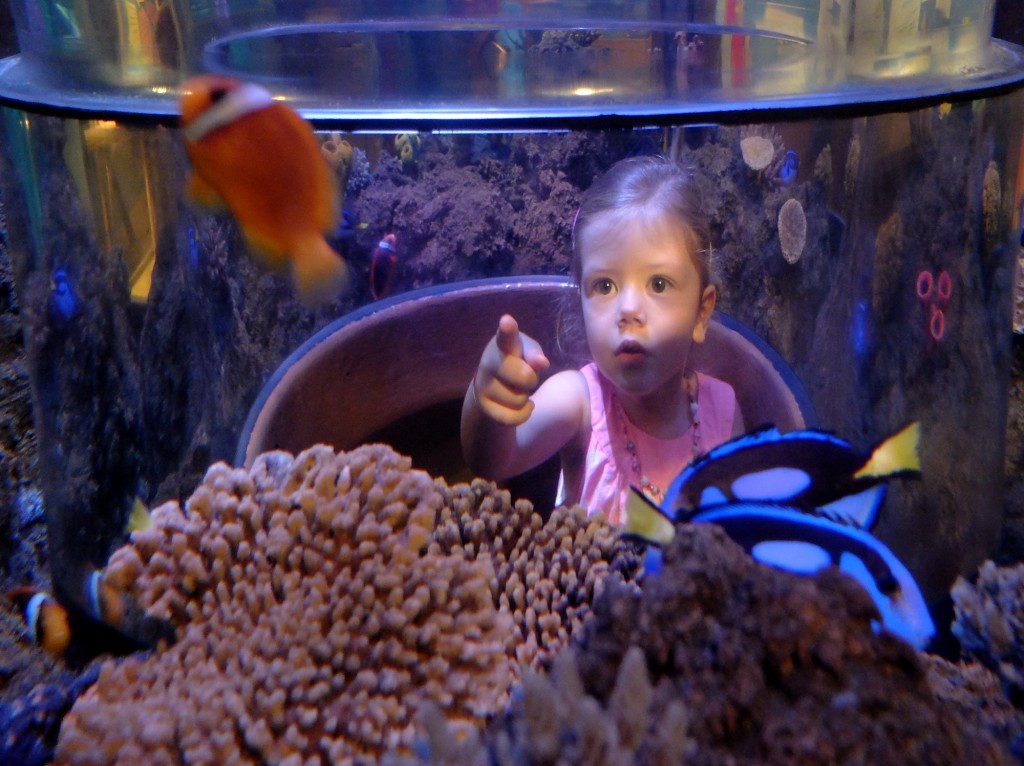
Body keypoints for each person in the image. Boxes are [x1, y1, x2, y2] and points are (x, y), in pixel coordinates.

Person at [461, 156, 745, 524]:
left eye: (658, 284)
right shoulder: (579, 401)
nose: (628, 310)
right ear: (580, 304)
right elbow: (492, 460)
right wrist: (486, 398)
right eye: (604, 286)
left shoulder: (723, 411)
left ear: (701, 313)